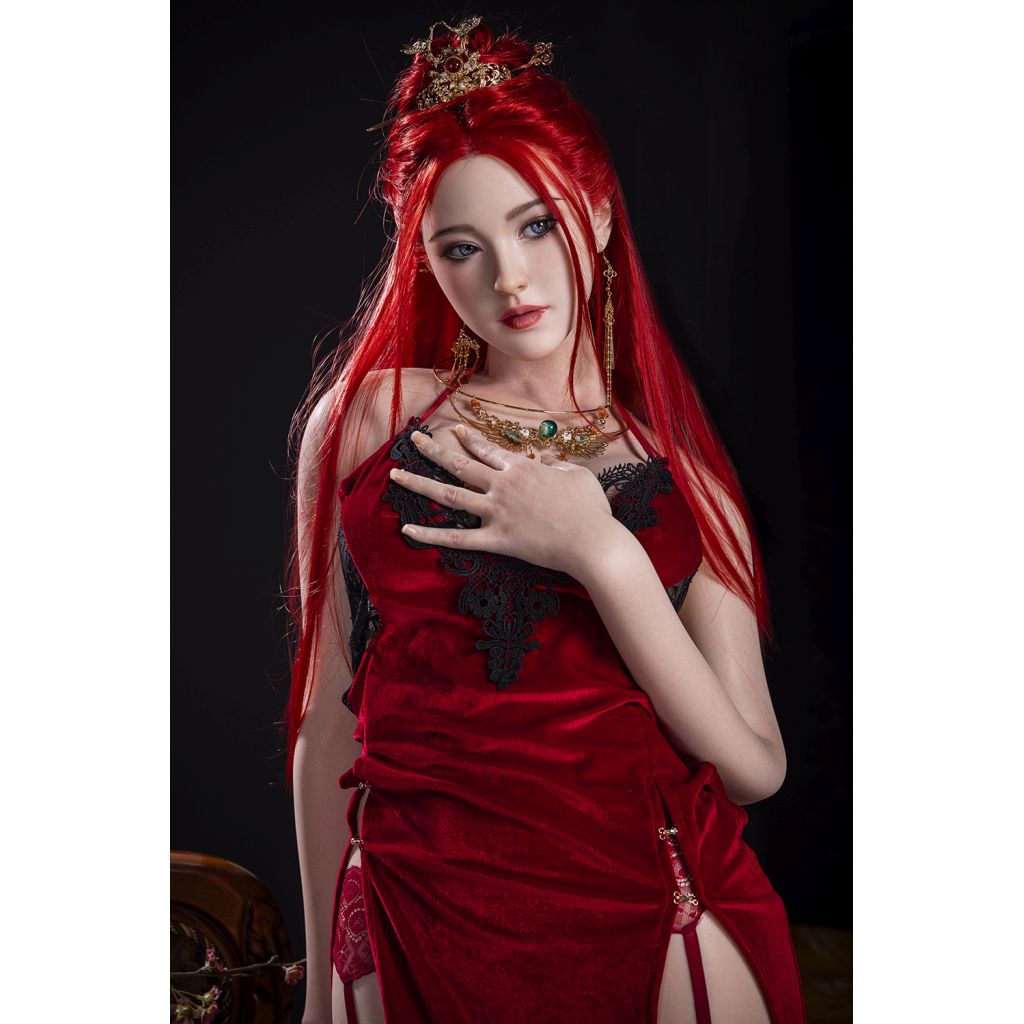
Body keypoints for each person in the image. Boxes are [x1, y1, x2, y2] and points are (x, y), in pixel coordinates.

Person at [283, 15, 805, 1024]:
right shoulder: (370, 420)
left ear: (597, 217)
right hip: (416, 898)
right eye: (461, 248)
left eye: (535, 226)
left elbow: (754, 767)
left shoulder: (684, 480)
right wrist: (312, 986)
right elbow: (324, 706)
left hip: (650, 906)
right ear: (425, 260)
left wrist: (602, 552)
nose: (508, 278)